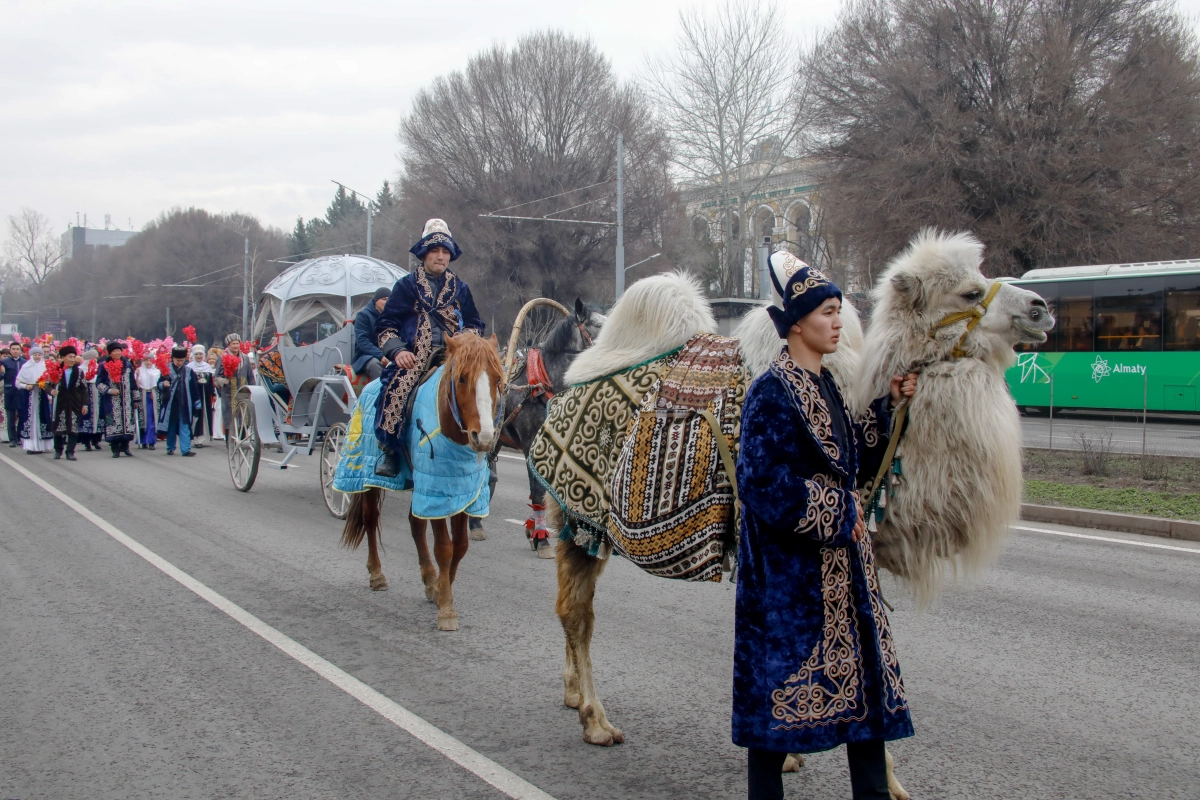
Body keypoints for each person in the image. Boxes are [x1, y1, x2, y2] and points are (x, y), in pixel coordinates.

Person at [733, 253, 918, 800]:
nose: (839, 322)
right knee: (774, 718)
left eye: (839, 311)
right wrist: (839, 511)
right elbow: (762, 484)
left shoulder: (828, 385)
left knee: (865, 704)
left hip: (841, 577)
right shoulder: (770, 391)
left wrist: (887, 410)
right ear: (797, 323)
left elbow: (848, 457)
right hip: (791, 588)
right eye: (829, 312)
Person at [373, 219, 485, 477]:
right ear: (424, 254)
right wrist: (398, 351)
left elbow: (475, 323)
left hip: (452, 355)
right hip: (414, 355)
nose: (441, 256)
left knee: (482, 387)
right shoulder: (405, 286)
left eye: (445, 252)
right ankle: (389, 451)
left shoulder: (460, 288)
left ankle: (485, 447)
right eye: (435, 250)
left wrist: (466, 337)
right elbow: (386, 325)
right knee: (396, 386)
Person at [96, 340, 140, 458]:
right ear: (109, 353)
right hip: (111, 401)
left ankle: (125, 447)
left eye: (119, 351)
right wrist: (110, 390)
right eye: (114, 351)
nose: (117, 353)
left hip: (127, 400)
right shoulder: (103, 365)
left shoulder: (128, 365)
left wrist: (136, 399)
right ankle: (115, 449)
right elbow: (98, 383)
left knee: (127, 424)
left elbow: (133, 383)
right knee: (113, 423)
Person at [158, 345, 201, 456]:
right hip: (171, 404)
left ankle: (186, 449)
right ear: (173, 358)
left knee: (185, 425)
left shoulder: (189, 371)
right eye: (178, 360)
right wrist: (163, 384)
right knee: (171, 426)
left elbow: (194, 388)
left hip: (185, 403)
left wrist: (197, 404)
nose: (180, 362)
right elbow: (158, 384)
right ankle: (170, 447)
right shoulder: (165, 370)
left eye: (182, 360)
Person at [50, 344, 89, 461]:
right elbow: (45, 384)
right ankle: (58, 450)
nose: (72, 359)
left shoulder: (79, 372)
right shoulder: (55, 371)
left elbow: (84, 389)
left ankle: (70, 451)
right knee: (58, 428)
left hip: (74, 403)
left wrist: (85, 404)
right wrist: (50, 390)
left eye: (74, 357)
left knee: (73, 428)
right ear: (62, 357)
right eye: (69, 357)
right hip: (59, 403)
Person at [15, 345, 52, 453]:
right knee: (29, 419)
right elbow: (17, 382)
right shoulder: (26, 367)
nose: (37, 357)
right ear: (31, 356)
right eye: (35, 355)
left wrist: (47, 391)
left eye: (39, 355)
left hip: (42, 395)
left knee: (43, 417)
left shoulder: (45, 366)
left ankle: (42, 444)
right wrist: (26, 386)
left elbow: (51, 382)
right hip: (29, 396)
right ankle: (31, 445)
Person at [215, 333, 254, 436]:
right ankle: (230, 442)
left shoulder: (245, 358)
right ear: (228, 345)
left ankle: (243, 440)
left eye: (237, 343)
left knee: (244, 416)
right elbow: (216, 377)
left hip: (243, 390)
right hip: (229, 392)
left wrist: (252, 389)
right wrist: (223, 381)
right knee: (230, 417)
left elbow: (250, 376)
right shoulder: (222, 358)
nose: (236, 346)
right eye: (233, 344)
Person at [353, 286, 391, 380]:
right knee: (375, 364)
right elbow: (362, 341)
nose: (387, 302)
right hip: (367, 355)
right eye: (384, 299)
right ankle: (381, 393)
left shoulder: (392, 317)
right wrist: (380, 356)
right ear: (376, 300)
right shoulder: (363, 316)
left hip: (388, 353)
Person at [188, 344, 215, 446]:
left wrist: (213, 393)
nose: (198, 356)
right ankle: (196, 437)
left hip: (206, 395)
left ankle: (204, 437)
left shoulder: (207, 367)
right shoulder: (189, 367)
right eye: (196, 354)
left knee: (206, 414)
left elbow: (211, 382)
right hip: (194, 395)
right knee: (196, 415)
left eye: (200, 354)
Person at [1, 340, 27, 446]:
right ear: (10, 350)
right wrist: (3, 373)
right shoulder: (4, 362)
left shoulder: (24, 362)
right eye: (13, 349)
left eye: (17, 349)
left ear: (20, 351)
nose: (15, 351)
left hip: (22, 392)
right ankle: (12, 439)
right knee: (11, 417)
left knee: (22, 416)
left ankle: (19, 437)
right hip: (10, 392)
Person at [78, 348, 103, 451]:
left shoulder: (99, 368)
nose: (95, 360)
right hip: (86, 394)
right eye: (92, 358)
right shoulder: (81, 369)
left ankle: (96, 440)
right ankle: (87, 441)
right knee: (86, 417)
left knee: (99, 416)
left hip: (98, 393)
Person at [136, 351, 161, 449]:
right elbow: (136, 385)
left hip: (154, 396)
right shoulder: (139, 371)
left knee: (152, 419)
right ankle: (143, 440)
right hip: (142, 395)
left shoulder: (157, 371)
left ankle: (151, 441)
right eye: (146, 360)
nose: (148, 362)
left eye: (150, 360)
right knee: (143, 418)